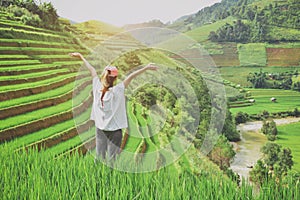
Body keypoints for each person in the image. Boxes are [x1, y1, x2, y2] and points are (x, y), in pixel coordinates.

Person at [69, 52, 158, 162]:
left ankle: (96, 177)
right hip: (115, 132)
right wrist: (146, 68)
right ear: (115, 79)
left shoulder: (97, 86)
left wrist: (81, 56)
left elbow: (91, 70)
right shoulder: (118, 90)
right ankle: (109, 178)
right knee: (112, 161)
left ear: (103, 76)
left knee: (99, 158)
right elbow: (131, 76)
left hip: (100, 129)